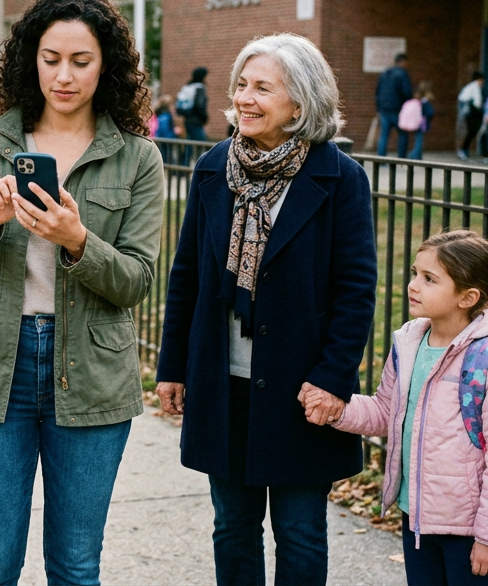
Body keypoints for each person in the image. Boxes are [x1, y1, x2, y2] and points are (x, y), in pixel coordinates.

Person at [0, 0, 165, 585]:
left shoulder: (137, 157)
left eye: (81, 61)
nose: (64, 76)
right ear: (30, 58)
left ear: (106, 65)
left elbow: (137, 281)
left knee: (76, 567)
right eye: (51, 58)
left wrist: (77, 240)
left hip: (91, 373)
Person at [156, 33, 377, 586]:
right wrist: (173, 367)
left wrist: (332, 378)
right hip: (222, 381)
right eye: (241, 85)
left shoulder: (340, 178)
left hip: (302, 388)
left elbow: (356, 290)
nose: (244, 98)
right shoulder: (214, 169)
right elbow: (187, 277)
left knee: (300, 532)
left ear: (299, 104)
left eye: (262, 88)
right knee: (232, 527)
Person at [314, 229, 488, 585]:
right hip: (415, 516)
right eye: (416, 273)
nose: (413, 285)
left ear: (468, 297)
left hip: (468, 530)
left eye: (429, 279)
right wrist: (337, 409)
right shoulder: (410, 344)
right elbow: (386, 412)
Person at [376, 52, 414, 157]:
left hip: (384, 109)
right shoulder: (402, 74)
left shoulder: (384, 73)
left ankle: (381, 159)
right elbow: (407, 92)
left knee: (384, 135)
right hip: (397, 109)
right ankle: (401, 158)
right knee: (402, 134)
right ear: (403, 61)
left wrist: (379, 107)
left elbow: (377, 91)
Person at [457, 72, 485, 161]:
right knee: (470, 132)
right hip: (470, 113)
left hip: (466, 112)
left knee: (468, 132)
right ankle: (463, 150)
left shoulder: (469, 87)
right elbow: (477, 102)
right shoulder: (475, 87)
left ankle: (464, 150)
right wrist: (481, 108)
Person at [177, 66, 210, 141]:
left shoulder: (189, 87)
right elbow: (200, 105)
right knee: (200, 143)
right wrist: (204, 118)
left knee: (190, 142)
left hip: (188, 119)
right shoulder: (199, 88)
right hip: (196, 121)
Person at [408, 81, 435, 160]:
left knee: (418, 140)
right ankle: (414, 155)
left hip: (417, 122)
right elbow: (430, 113)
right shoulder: (424, 102)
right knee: (419, 140)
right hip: (421, 122)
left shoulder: (418, 101)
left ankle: (416, 156)